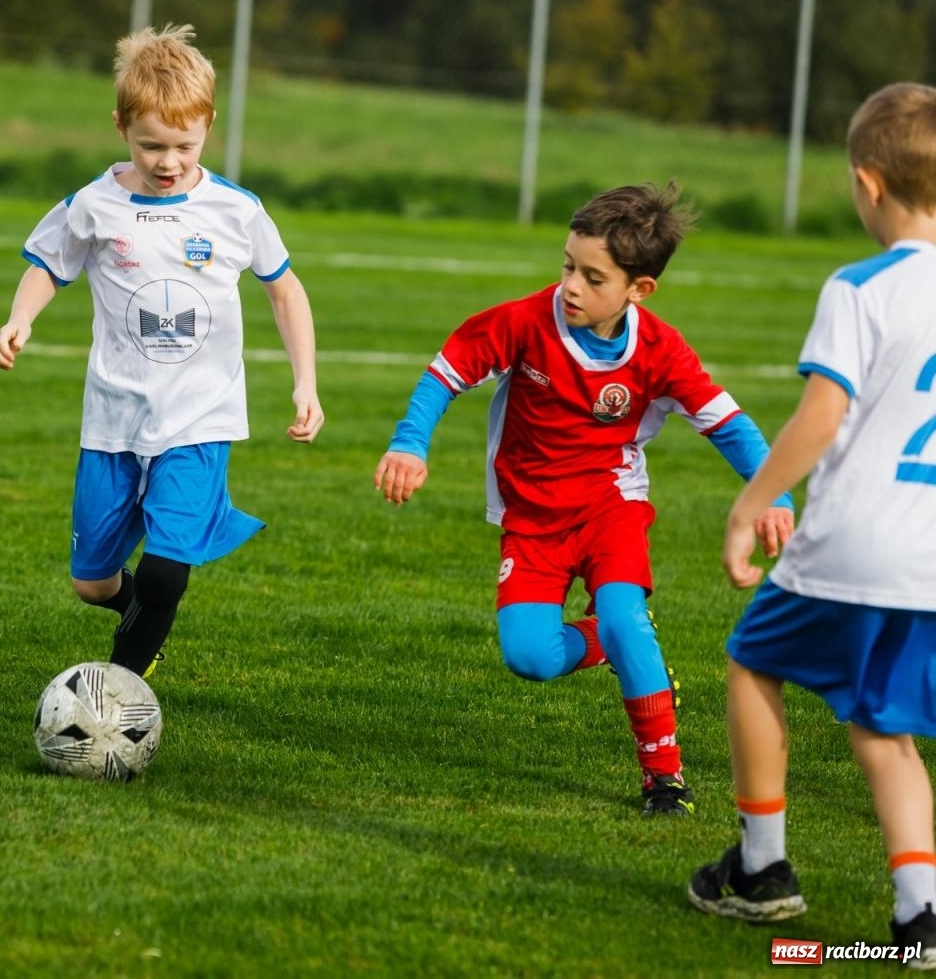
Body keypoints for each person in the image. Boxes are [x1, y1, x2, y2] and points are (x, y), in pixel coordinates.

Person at [373, 182, 795, 817]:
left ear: (638, 289)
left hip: (610, 505)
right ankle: (619, 641)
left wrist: (773, 494)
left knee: (627, 614)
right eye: (568, 265)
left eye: (593, 277)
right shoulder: (523, 322)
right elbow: (446, 372)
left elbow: (729, 425)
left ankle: (664, 778)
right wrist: (410, 445)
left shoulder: (660, 350)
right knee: (530, 657)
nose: (571, 285)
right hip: (531, 517)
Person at [687, 82, 936, 966]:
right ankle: (921, 915)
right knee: (884, 723)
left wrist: (751, 504)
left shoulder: (861, 285)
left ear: (869, 184)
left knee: (753, 663)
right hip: (930, 562)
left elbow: (821, 417)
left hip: (851, 543)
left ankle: (761, 868)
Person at [0, 24, 322, 680]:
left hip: (200, 418)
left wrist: (304, 384)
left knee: (167, 570)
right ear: (120, 127)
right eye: (151, 146)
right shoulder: (93, 205)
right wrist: (18, 319)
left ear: (208, 126)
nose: (168, 161)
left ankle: (115, 695)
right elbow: (48, 267)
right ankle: (137, 621)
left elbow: (286, 292)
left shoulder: (235, 211)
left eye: (184, 146)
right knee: (93, 583)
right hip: (114, 417)